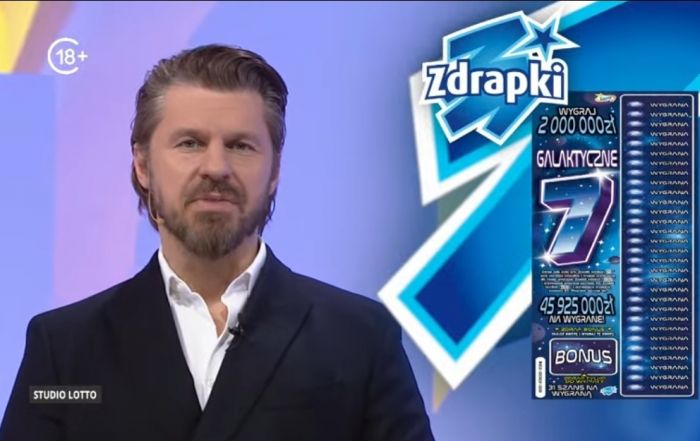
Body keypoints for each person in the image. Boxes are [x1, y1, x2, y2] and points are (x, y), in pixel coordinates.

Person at [0, 44, 434, 441]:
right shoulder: (64, 348)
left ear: (274, 171)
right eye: (190, 143)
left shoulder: (359, 338)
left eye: (241, 146)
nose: (216, 167)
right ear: (143, 165)